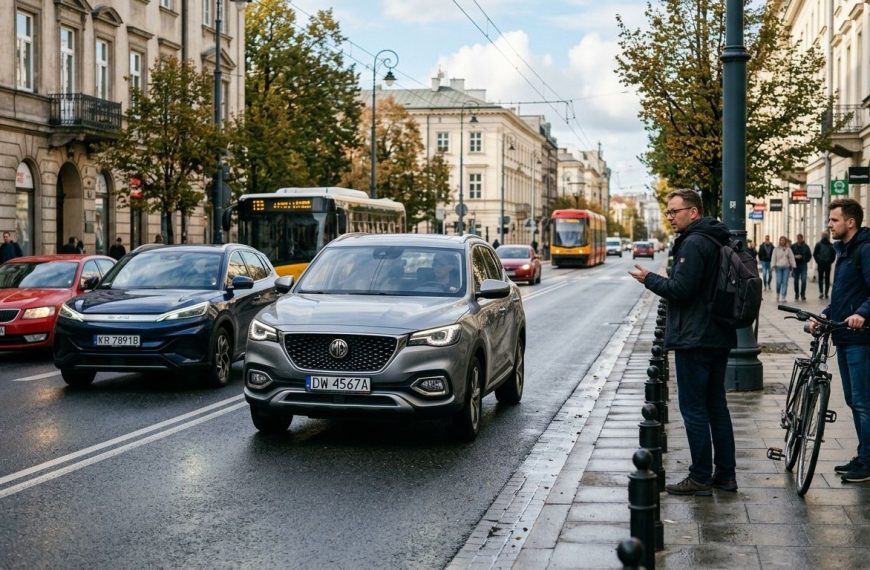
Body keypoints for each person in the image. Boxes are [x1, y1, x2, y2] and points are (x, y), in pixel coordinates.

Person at [629, 188, 737, 496]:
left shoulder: (695, 242)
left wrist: (649, 279)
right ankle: (726, 475)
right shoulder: (719, 238)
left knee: (694, 408)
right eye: (667, 212)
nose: (670, 216)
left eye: (674, 211)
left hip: (696, 337)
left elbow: (681, 289)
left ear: (693, 212)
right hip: (718, 334)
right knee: (717, 405)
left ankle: (701, 475)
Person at [817, 198, 870, 483]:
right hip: (845, 337)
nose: (830, 224)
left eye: (834, 220)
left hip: (862, 339)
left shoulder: (864, 250)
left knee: (863, 401)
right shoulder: (845, 252)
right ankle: (864, 457)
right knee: (854, 400)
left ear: (850, 222)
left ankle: (868, 462)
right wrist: (824, 316)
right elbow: (844, 296)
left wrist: (863, 313)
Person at [771, 236, 795, 303]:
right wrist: (773, 265)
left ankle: (783, 296)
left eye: (783, 240)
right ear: (779, 241)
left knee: (785, 282)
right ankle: (778, 294)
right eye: (781, 240)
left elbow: (791, 258)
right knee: (778, 282)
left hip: (786, 267)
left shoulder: (788, 249)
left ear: (785, 241)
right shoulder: (776, 249)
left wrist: (793, 265)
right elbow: (773, 257)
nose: (782, 241)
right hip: (778, 267)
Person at [813, 231, 836, 299]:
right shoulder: (831, 245)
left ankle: (821, 293)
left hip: (821, 264)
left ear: (822, 236)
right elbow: (833, 256)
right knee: (827, 279)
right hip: (827, 264)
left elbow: (815, 254)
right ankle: (826, 293)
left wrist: (818, 261)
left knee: (821, 279)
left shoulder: (819, 244)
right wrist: (830, 261)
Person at [790, 233, 812, 301]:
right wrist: (795, 257)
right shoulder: (793, 246)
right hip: (795, 266)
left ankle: (803, 294)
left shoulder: (806, 246)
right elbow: (790, 255)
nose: (799, 240)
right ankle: (796, 293)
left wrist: (803, 258)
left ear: (802, 239)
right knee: (796, 281)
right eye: (798, 238)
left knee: (804, 280)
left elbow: (809, 255)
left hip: (803, 265)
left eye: (800, 238)